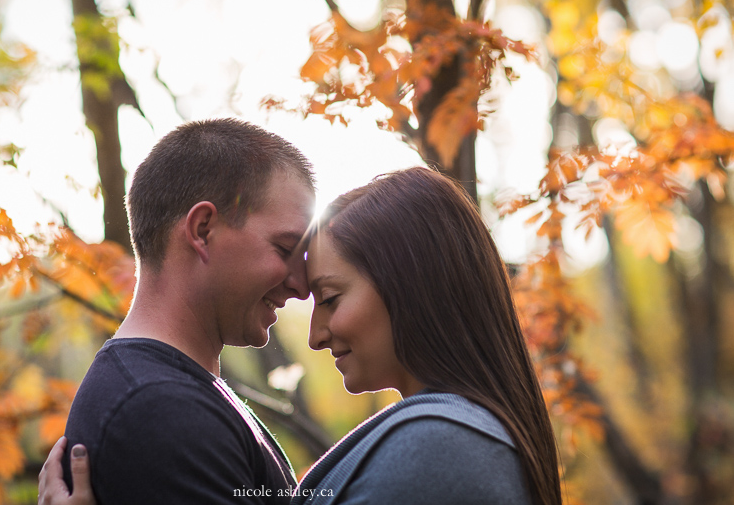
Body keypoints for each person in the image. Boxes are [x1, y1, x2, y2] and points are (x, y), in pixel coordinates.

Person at [41, 166, 562, 504]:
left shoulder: (441, 448)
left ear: (414, 286)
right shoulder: (449, 438)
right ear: (201, 231)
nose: (314, 333)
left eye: (330, 298)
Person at [49, 118, 316, 505]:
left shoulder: (171, 394)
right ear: (203, 229)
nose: (302, 285)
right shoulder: (159, 411)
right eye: (284, 248)